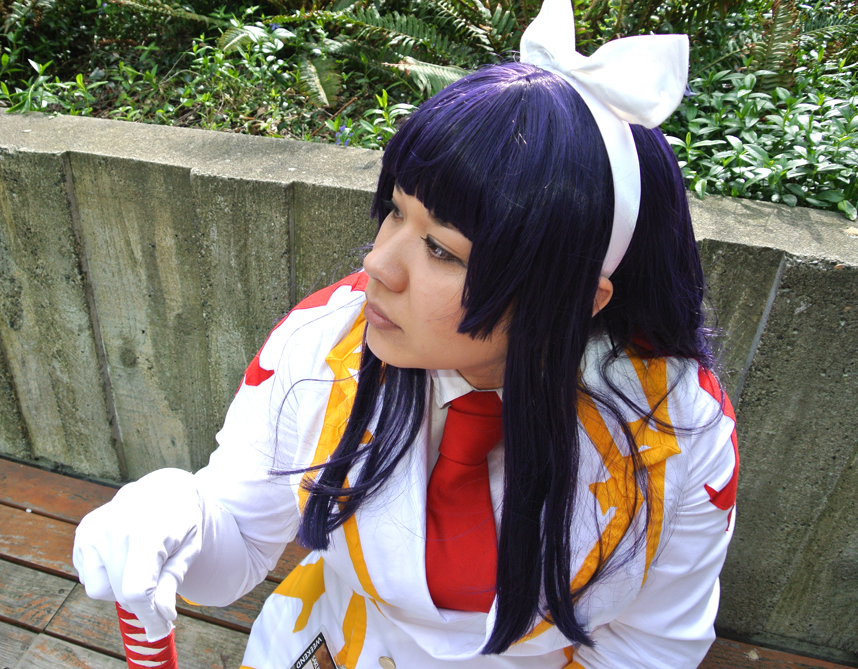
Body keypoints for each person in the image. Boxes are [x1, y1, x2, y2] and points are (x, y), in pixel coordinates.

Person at [72, 0, 740, 666]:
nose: (377, 265)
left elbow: (649, 647)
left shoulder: (677, 430)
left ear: (577, 299)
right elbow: (242, 540)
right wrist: (178, 516)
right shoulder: (324, 343)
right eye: (394, 211)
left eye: (443, 250)